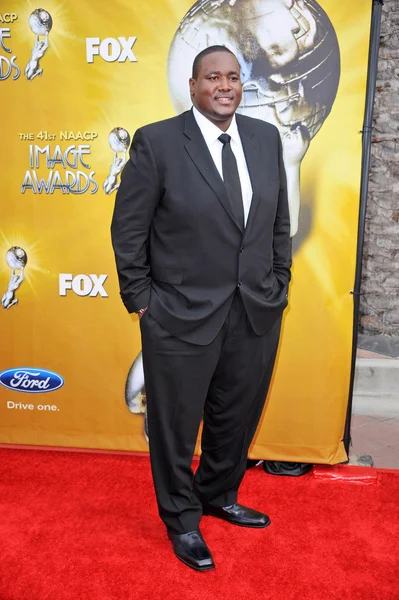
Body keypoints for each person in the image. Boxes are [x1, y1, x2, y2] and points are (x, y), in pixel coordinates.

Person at [111, 45, 291, 572]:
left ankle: (218, 493)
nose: (224, 86)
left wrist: (278, 282)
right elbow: (129, 230)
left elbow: (277, 220)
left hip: (255, 309)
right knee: (174, 425)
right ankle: (182, 521)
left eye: (233, 77)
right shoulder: (159, 142)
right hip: (177, 314)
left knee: (235, 417)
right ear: (193, 86)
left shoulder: (265, 138)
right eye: (213, 77)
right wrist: (142, 300)